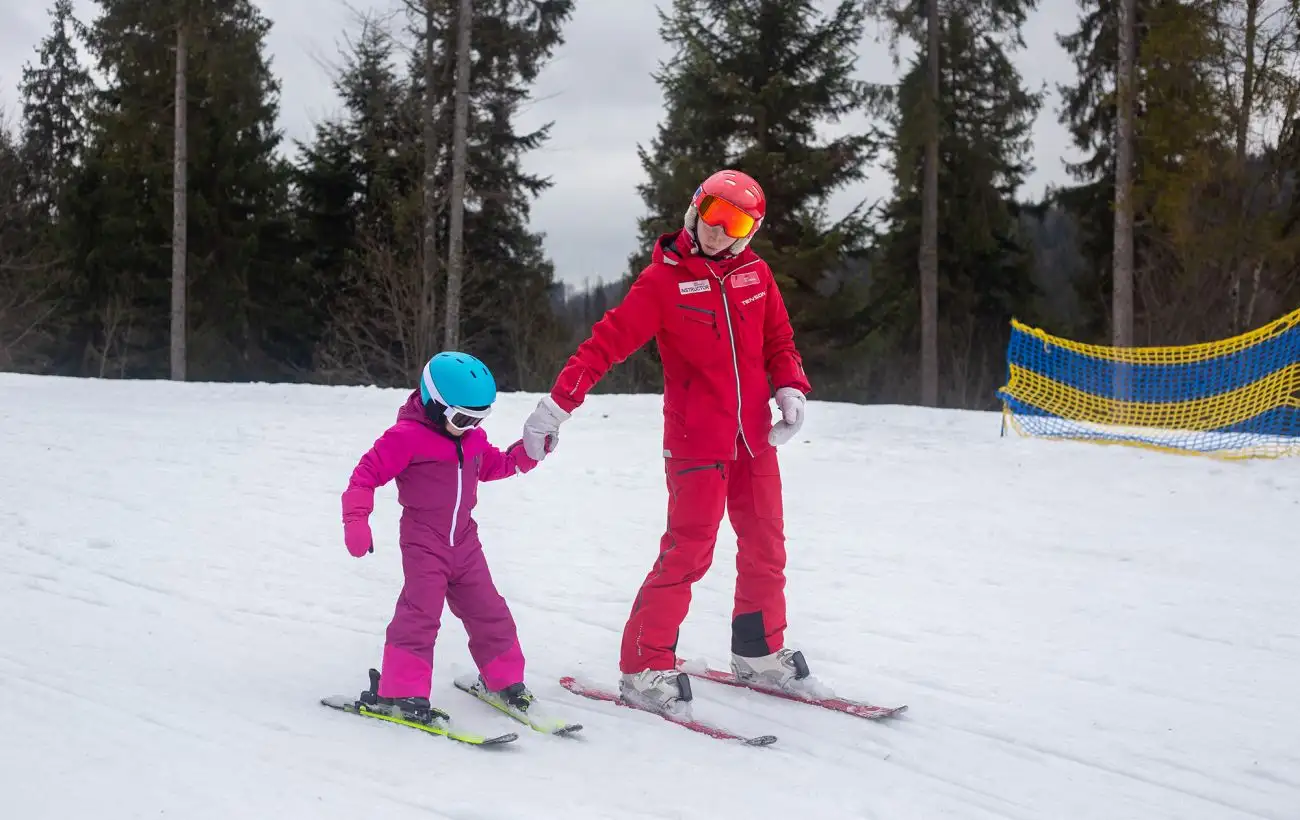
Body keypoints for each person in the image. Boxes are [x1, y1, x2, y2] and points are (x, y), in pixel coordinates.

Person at [520, 169, 825, 719]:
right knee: (689, 551)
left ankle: (757, 652)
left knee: (766, 545)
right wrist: (555, 408)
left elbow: (779, 339)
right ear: (695, 209)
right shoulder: (663, 282)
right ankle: (643, 666)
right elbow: (602, 347)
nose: (717, 229)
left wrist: (789, 387)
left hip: (753, 440)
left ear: (749, 231)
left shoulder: (755, 275)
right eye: (712, 212)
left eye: (734, 221)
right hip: (695, 443)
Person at [341, 351, 542, 725]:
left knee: (490, 611)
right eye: (464, 418)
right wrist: (356, 519)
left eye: (480, 418)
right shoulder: (405, 438)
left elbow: (493, 464)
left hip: (465, 542)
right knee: (420, 616)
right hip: (424, 542)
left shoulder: (470, 438)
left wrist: (527, 455)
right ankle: (400, 692)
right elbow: (364, 476)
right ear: (434, 404)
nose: (471, 427)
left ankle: (504, 680)